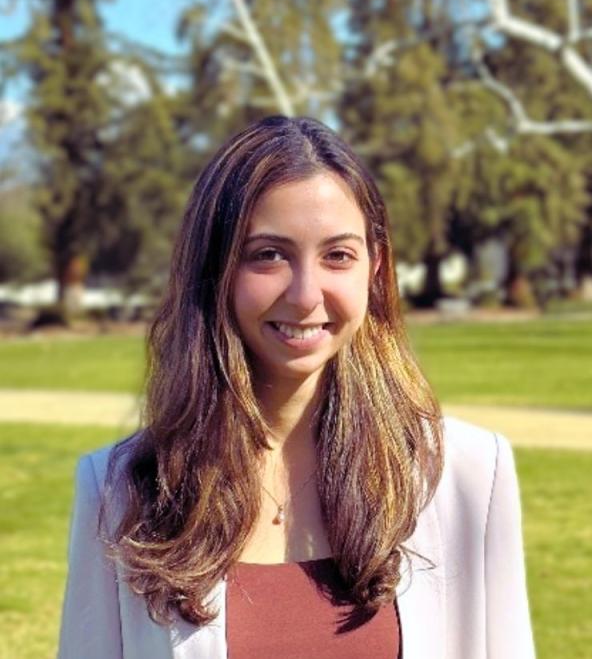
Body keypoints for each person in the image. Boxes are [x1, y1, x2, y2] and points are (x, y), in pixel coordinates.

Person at [58, 116, 535, 658]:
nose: (307, 295)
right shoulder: (122, 490)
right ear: (216, 269)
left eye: (338, 255)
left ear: (374, 270)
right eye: (269, 254)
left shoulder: (469, 474)